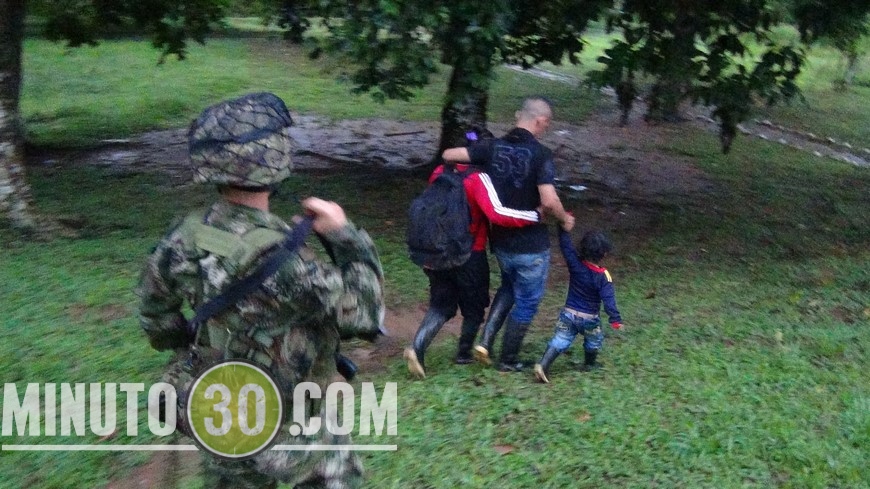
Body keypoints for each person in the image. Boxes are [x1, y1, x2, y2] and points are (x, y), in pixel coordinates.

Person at [136, 92, 384, 489]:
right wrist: (344, 236)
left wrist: (191, 345)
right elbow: (365, 315)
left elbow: (155, 316)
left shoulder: (182, 237)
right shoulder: (289, 260)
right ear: (275, 160)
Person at [442, 97, 574, 372]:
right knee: (526, 300)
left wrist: (475, 152)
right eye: (546, 125)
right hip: (531, 244)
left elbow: (449, 155)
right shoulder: (541, 154)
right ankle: (508, 359)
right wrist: (565, 218)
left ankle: (486, 341)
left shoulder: (491, 147)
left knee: (509, 286)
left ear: (518, 116)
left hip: (501, 242)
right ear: (541, 122)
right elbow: (548, 200)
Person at [404, 129, 543, 379]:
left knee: (441, 305)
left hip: (437, 253)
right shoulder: (477, 179)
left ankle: (417, 347)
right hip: (470, 254)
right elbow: (497, 214)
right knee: (475, 307)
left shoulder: (438, 173)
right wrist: (534, 215)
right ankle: (464, 353)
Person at [534, 228, 623, 384]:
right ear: (604, 254)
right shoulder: (603, 276)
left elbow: (566, 247)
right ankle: (590, 364)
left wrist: (563, 229)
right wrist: (615, 319)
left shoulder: (576, 264)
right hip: (590, 319)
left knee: (560, 338)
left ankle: (543, 364)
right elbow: (609, 300)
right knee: (594, 341)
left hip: (568, 315)